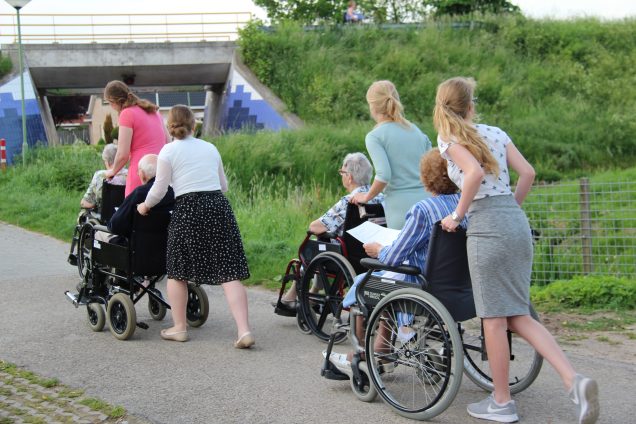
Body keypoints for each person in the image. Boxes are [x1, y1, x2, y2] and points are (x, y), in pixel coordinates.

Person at [434, 76, 599, 424]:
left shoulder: (449, 139)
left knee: (493, 320)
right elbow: (528, 173)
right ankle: (574, 381)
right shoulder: (494, 132)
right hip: (514, 220)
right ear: (469, 104)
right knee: (517, 313)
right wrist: (512, 210)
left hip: (487, 226)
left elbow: (474, 173)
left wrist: (456, 215)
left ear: (443, 104)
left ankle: (502, 402)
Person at [327, 149, 465, 372]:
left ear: (425, 178)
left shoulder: (423, 210)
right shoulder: (464, 207)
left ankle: (359, 354)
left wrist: (379, 250)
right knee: (388, 280)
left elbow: (394, 257)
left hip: (419, 282)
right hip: (455, 281)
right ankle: (382, 352)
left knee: (364, 283)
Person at [137, 105, 253, 348]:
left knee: (177, 269)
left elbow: (159, 188)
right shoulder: (210, 147)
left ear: (170, 126)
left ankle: (180, 328)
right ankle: (244, 331)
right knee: (228, 271)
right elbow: (224, 186)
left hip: (188, 208)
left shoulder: (168, 151)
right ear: (194, 125)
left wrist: (145, 206)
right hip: (218, 206)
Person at [273, 152, 384, 315]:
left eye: (342, 173)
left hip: (348, 258)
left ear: (350, 177)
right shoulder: (381, 198)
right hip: (373, 255)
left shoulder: (350, 201)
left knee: (314, 246)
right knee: (325, 245)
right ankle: (311, 292)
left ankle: (294, 296)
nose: (342, 176)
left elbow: (316, 226)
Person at [350, 80, 431, 229]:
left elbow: (383, 175)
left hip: (400, 209)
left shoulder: (375, 136)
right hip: (428, 204)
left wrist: (366, 197)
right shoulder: (416, 131)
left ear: (372, 107)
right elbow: (431, 167)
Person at [102, 80, 170, 197]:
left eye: (109, 103)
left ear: (114, 101)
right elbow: (168, 141)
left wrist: (112, 171)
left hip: (141, 172)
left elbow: (123, 154)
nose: (111, 107)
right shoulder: (153, 110)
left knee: (134, 211)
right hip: (162, 170)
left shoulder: (126, 114)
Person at [95, 154, 174, 244]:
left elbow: (115, 226)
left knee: (98, 233)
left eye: (138, 171)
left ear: (143, 174)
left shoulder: (139, 193)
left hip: (135, 249)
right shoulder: (173, 192)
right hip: (166, 247)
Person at [80, 143, 127, 210]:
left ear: (107, 162)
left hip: (105, 217)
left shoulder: (100, 175)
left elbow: (88, 203)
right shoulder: (129, 175)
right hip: (125, 215)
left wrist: (83, 203)